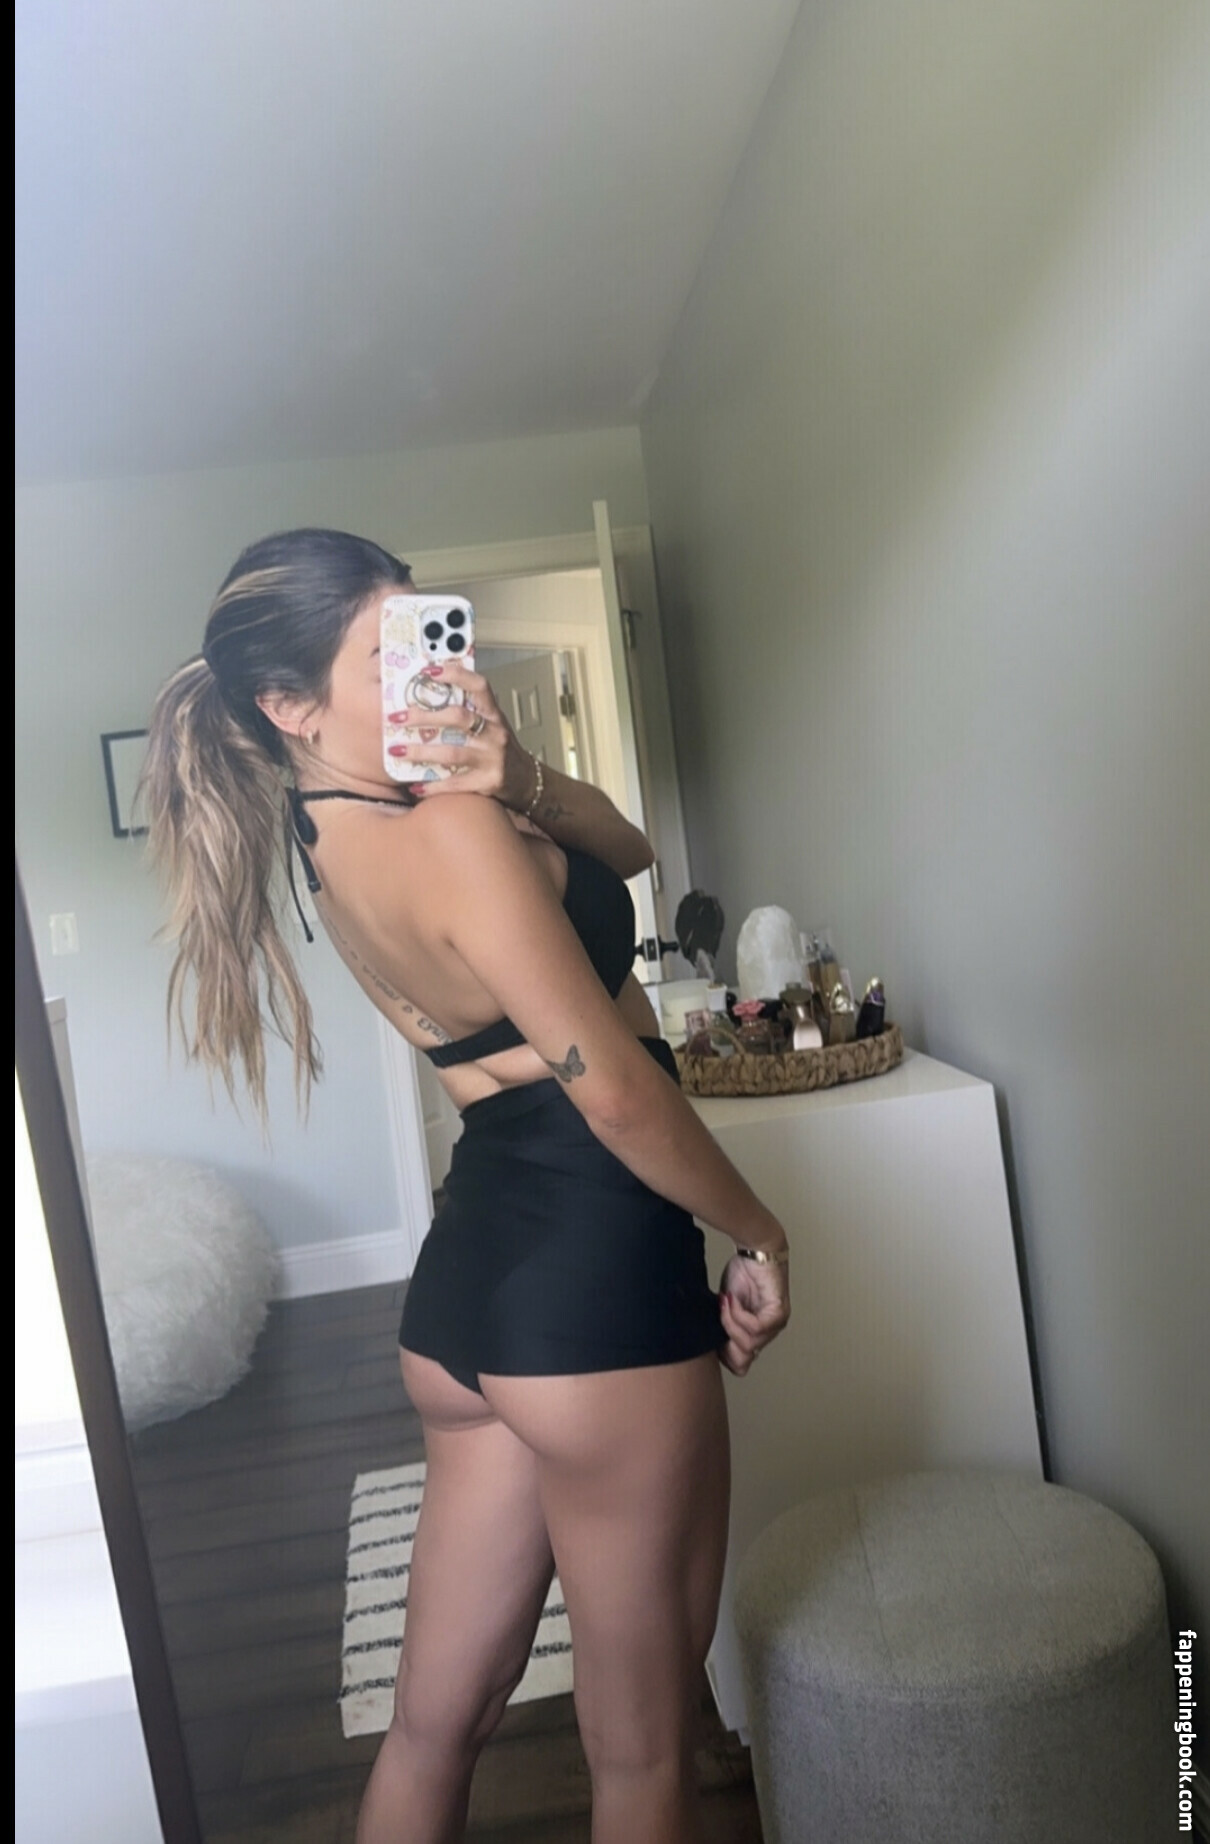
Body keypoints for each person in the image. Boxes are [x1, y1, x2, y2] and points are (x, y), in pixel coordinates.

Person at [142, 527, 791, 1844]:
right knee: (644, 1755)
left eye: (424, 633)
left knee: (433, 1726)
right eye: (385, 655)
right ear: (290, 706)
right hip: (593, 1278)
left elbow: (628, 848)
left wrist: (516, 770)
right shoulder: (446, 833)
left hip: (470, 1294)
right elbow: (613, 1092)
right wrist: (759, 1230)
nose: (430, 672)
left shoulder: (333, 842)